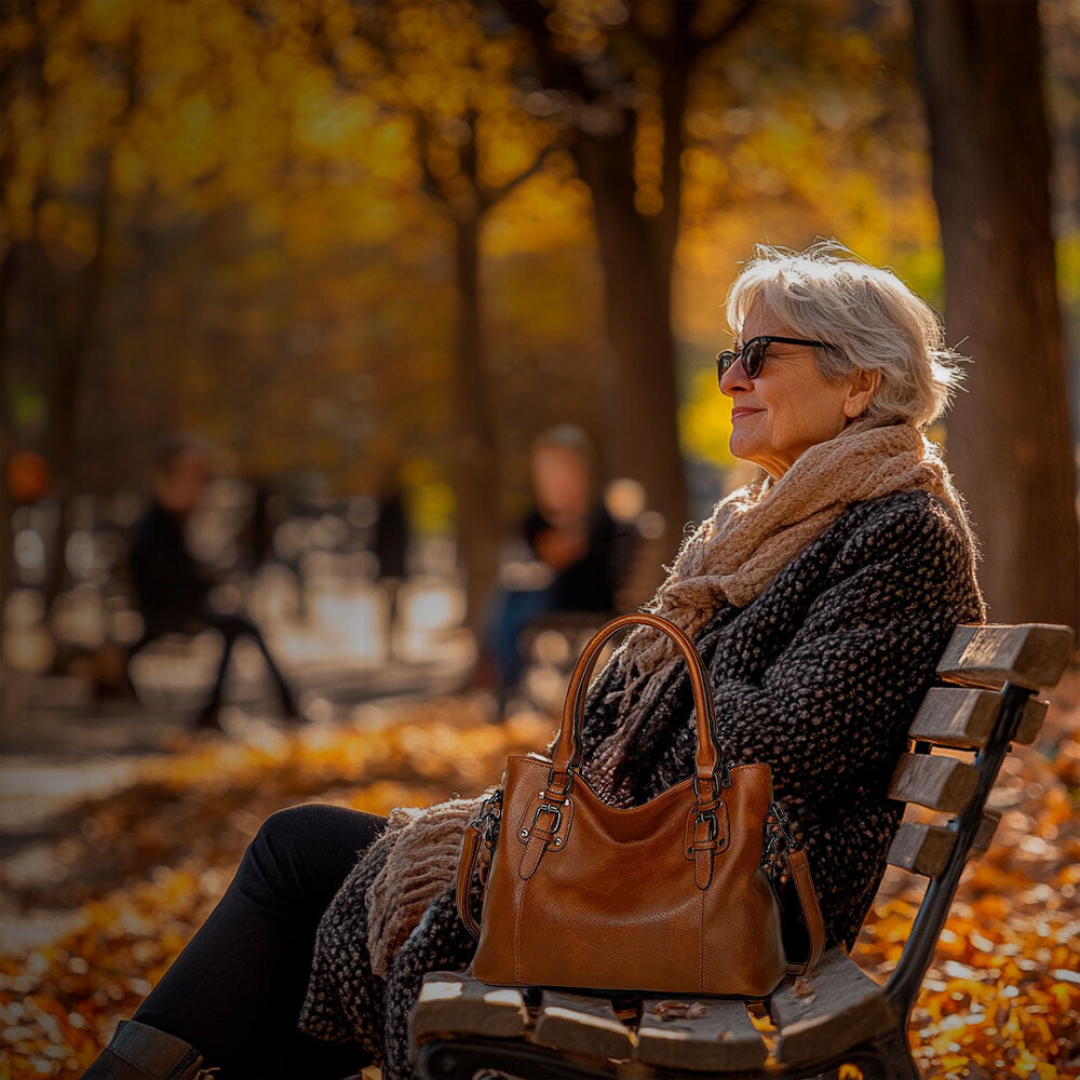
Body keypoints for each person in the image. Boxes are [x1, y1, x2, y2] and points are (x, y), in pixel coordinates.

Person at [82, 240, 988, 1080]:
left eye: (761, 357)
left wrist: (680, 676)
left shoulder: (898, 530)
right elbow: (674, 707)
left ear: (860, 381)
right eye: (729, 359)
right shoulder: (762, 529)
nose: (731, 382)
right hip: (665, 864)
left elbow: (791, 742)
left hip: (727, 898)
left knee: (303, 858)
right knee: (309, 857)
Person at [125, 433, 302, 732]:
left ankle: (217, 708)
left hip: (179, 607)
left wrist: (211, 577)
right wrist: (206, 582)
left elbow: (185, 573)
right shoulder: (154, 524)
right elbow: (167, 581)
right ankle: (279, 703)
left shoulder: (172, 520)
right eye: (190, 476)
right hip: (165, 612)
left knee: (238, 626)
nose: (198, 486)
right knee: (242, 627)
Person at [477, 424, 633, 710]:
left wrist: (568, 524)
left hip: (585, 600)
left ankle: (504, 686)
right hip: (554, 597)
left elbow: (564, 555)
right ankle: (500, 680)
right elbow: (540, 550)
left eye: (561, 469)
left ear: (582, 470)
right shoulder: (538, 518)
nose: (554, 479)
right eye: (547, 471)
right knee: (510, 594)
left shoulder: (599, 517)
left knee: (512, 599)